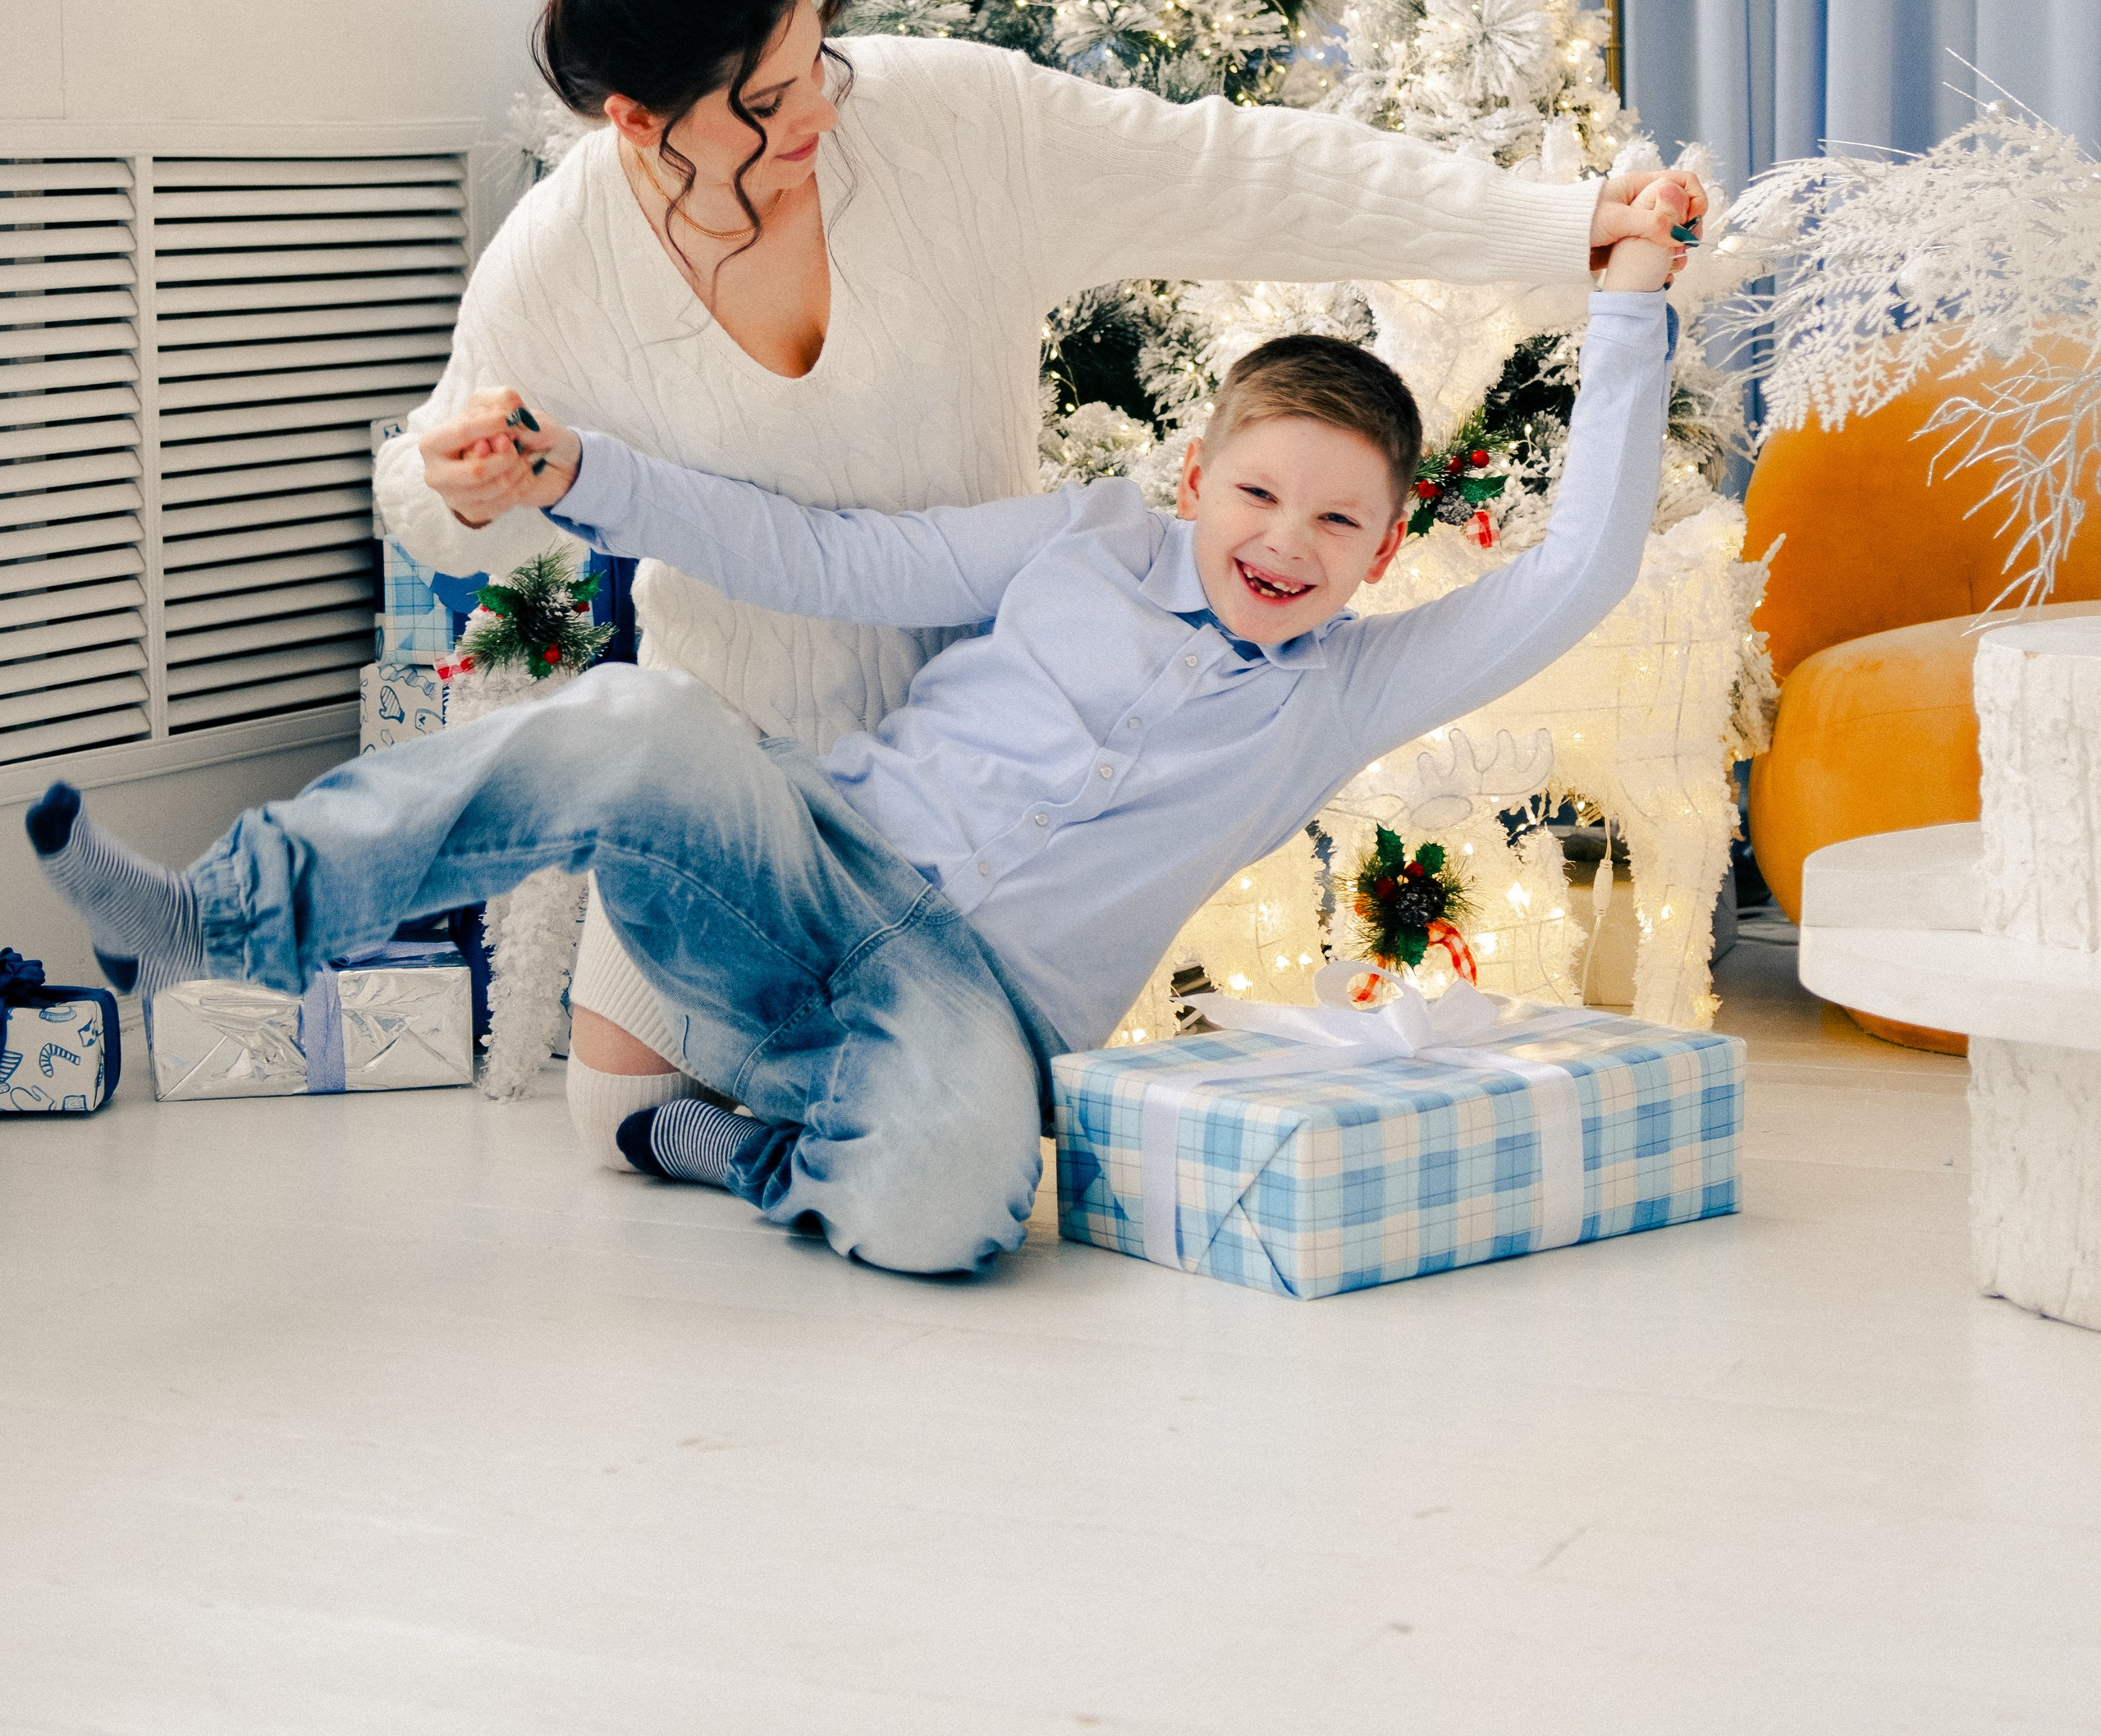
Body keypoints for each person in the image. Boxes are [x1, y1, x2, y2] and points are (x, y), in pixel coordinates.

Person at [27, 187, 1687, 1275]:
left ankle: (725, 1146)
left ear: (1382, 551)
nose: (1282, 541)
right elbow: (825, 557)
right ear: (1193, 480)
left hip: (963, 1011)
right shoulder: (1082, 535)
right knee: (637, 718)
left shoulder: (1347, 686)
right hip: (810, 867)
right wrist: (580, 472)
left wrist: (1622, 303)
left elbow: (1580, 567)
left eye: (1335, 526)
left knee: (950, 1215)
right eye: (1256, 492)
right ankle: (223, 915)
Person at [378, 0, 1705, 1166]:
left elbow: (1242, 173)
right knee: (619, 1119)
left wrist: (1556, 230)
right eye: (771, 100)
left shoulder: (949, 129)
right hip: (758, 765)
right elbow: (449, 489)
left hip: (974, 718)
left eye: (817, 59)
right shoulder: (562, 259)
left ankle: (855, 1132)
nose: (820, 112)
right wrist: (461, 480)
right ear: (641, 122)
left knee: (937, 1157)